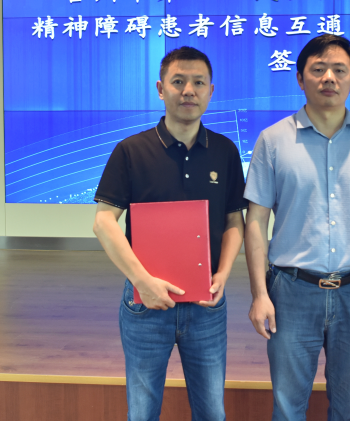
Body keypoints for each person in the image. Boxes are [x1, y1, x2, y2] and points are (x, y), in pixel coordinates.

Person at [243, 34, 350, 421]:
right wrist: (258, 294)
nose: (329, 78)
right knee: (287, 408)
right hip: (291, 291)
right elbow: (256, 221)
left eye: (339, 70)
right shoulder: (272, 141)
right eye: (318, 69)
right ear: (300, 78)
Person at [92, 46, 247, 421]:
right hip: (145, 305)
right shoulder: (131, 151)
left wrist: (224, 274)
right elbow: (104, 222)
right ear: (161, 89)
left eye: (198, 83)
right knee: (142, 412)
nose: (188, 90)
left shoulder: (225, 151)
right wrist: (142, 281)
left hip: (207, 305)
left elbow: (234, 221)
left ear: (211, 91)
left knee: (212, 411)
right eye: (178, 82)